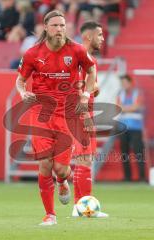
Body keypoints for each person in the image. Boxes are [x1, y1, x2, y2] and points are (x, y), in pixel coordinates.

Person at [16, 10, 96, 226]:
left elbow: (92, 70)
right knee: (44, 164)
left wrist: (86, 94)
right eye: (55, 26)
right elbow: (20, 80)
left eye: (62, 25)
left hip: (66, 114)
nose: (60, 29)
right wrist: (23, 93)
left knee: (60, 169)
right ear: (46, 28)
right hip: (40, 113)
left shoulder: (77, 50)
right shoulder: (33, 53)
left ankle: (62, 181)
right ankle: (50, 214)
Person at [72, 21, 108, 218]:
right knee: (84, 161)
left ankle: (79, 207)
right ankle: (86, 210)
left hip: (83, 114)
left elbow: (88, 87)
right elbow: (76, 89)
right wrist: (84, 114)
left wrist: (94, 88)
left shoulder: (88, 58)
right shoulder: (80, 57)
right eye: (100, 35)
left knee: (82, 161)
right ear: (88, 36)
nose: (103, 38)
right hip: (81, 115)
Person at [117, 74, 145, 181]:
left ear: (130, 83)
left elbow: (137, 106)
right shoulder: (120, 94)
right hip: (123, 128)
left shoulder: (137, 93)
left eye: (125, 82)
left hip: (136, 128)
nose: (123, 85)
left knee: (138, 153)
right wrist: (130, 108)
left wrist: (125, 108)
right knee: (125, 154)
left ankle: (141, 177)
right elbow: (118, 107)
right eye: (122, 83)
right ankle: (127, 177)